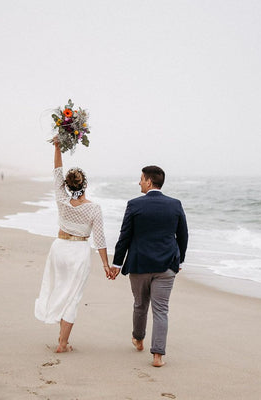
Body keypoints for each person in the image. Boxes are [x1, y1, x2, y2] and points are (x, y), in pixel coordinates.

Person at [34, 138, 110, 353]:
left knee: (60, 288)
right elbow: (100, 239)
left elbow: (57, 171)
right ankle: (62, 343)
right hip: (79, 252)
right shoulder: (94, 208)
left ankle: (61, 337)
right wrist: (106, 265)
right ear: (85, 185)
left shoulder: (61, 199)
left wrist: (57, 147)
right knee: (73, 296)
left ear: (67, 185)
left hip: (59, 248)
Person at [110, 166, 188, 367]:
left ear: (149, 181)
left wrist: (117, 263)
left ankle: (138, 339)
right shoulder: (175, 204)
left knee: (140, 304)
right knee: (161, 310)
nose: (139, 182)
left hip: (139, 264)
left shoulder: (134, 205)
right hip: (166, 265)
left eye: (141, 179)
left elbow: (124, 236)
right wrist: (179, 261)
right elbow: (183, 235)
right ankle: (158, 356)